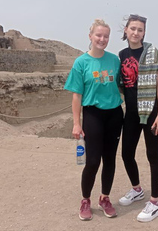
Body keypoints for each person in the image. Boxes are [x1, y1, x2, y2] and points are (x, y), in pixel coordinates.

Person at [64, 18, 124, 221]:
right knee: (92, 161)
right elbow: (76, 95)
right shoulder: (81, 63)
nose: (102, 39)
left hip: (115, 114)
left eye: (106, 36)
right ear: (90, 36)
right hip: (93, 114)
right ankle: (85, 200)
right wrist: (76, 123)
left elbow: (122, 85)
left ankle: (105, 198)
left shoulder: (114, 60)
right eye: (98, 35)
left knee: (110, 160)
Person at [118, 14, 158, 222]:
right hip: (130, 112)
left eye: (140, 30)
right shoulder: (121, 54)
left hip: (150, 112)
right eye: (132, 28)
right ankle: (137, 189)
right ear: (126, 30)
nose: (136, 33)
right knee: (126, 154)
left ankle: (155, 203)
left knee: (152, 155)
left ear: (144, 33)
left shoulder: (151, 52)